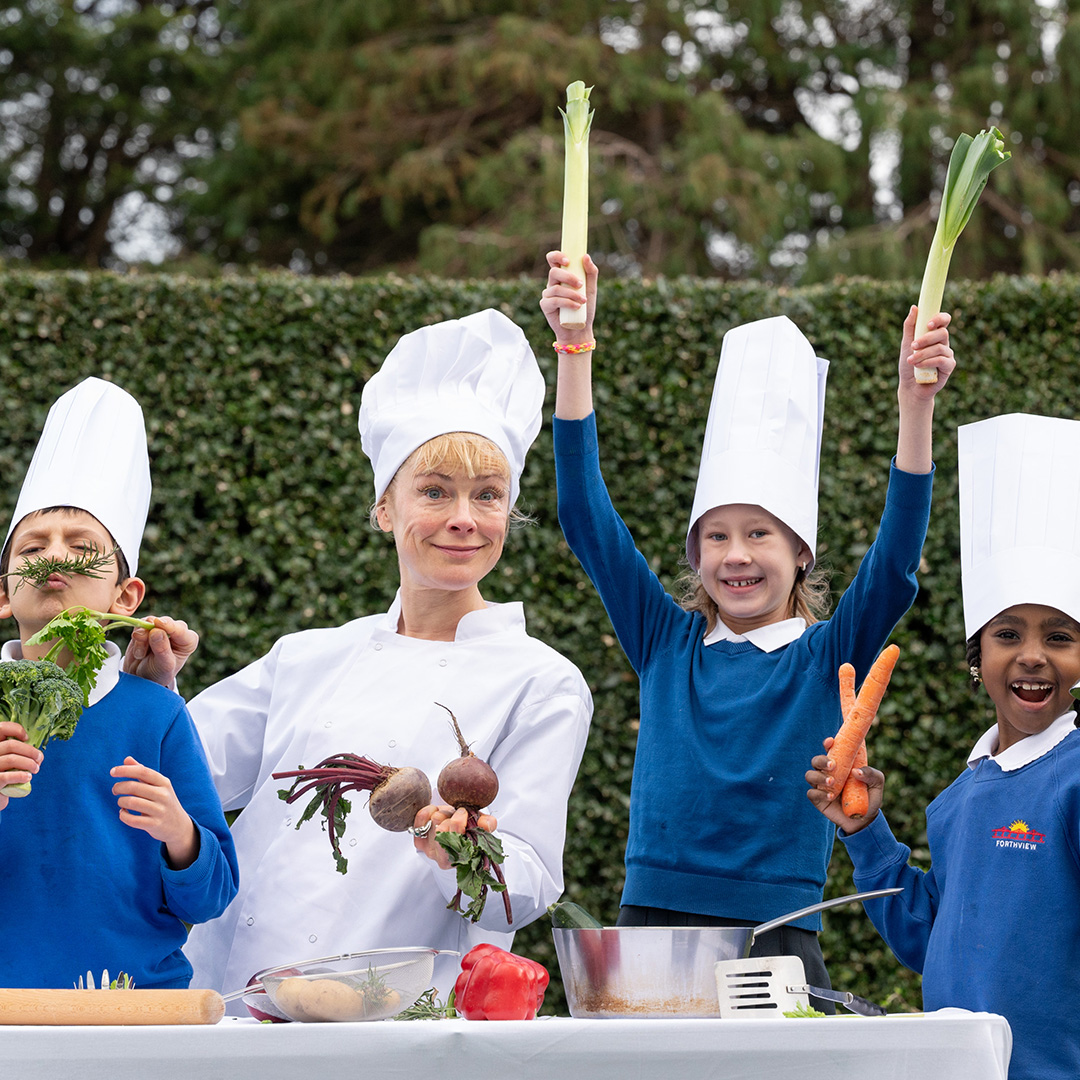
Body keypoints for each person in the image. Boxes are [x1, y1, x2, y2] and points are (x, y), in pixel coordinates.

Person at [137, 309, 592, 1006]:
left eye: (488, 496)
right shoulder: (306, 658)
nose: (464, 516)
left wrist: (458, 851)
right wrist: (155, 692)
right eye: (435, 490)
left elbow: (519, 892)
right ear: (385, 508)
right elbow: (172, 773)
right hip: (232, 1010)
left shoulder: (543, 682)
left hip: (397, 1026)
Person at [539, 251, 954, 1001]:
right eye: (717, 535)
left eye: (759, 534)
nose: (736, 555)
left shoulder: (828, 655)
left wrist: (914, 407)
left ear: (800, 552)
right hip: (652, 920)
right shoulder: (666, 643)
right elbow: (585, 516)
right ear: (694, 552)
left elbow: (893, 563)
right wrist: (575, 350)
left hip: (779, 926)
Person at [807, 412, 1080, 1080]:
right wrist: (866, 830)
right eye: (1008, 634)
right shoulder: (963, 795)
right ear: (975, 657)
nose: (1034, 657)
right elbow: (928, 937)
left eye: (1062, 637)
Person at [0, 377, 239, 989]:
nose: (56, 557)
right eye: (33, 546)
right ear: (4, 593)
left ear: (125, 596)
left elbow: (210, 898)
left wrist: (179, 832)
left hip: (135, 1009)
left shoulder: (155, 714)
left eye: (83, 546)